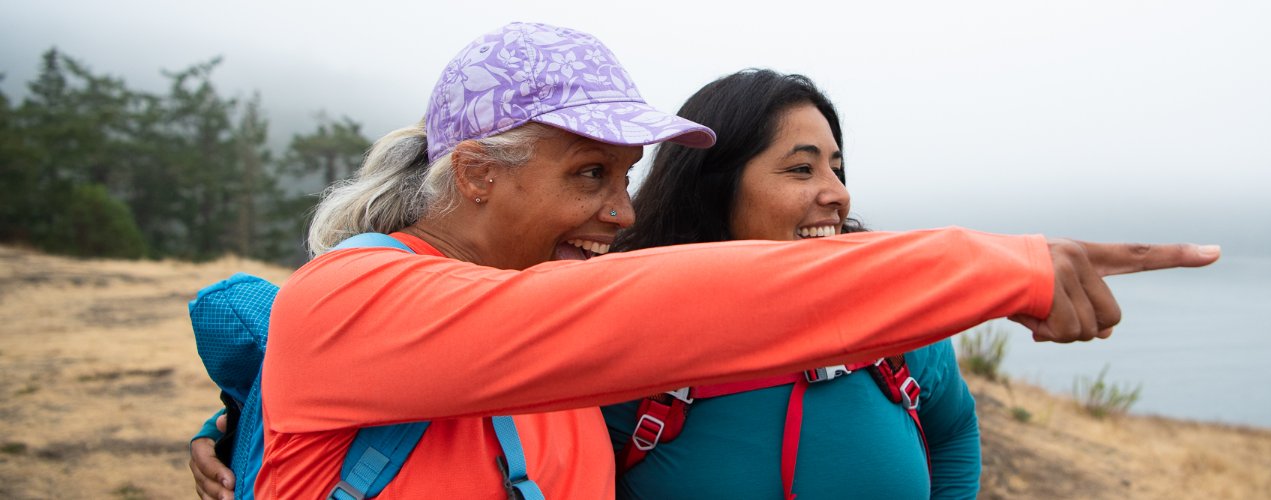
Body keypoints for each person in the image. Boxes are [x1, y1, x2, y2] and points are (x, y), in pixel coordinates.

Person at [189, 22, 1218, 499]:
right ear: (477, 174)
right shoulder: (354, 293)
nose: (621, 212)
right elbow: (680, 309)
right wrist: (995, 265)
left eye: (628, 178)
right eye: (591, 176)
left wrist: (240, 424)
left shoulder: (553, 340)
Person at [604, 69, 979, 499]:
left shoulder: (895, 312)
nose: (838, 194)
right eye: (802, 169)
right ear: (714, 186)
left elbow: (953, 430)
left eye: (836, 170)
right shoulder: (628, 339)